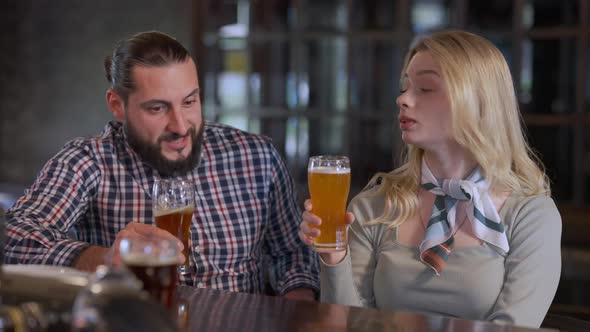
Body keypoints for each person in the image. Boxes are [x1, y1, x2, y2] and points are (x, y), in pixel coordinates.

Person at [4, 31, 319, 300]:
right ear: (117, 105)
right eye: (158, 108)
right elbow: (15, 238)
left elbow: (292, 253)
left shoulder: (255, 156)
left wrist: (298, 311)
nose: (181, 126)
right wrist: (103, 259)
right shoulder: (89, 161)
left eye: (189, 102)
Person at [299, 30, 561, 327]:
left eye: (424, 88)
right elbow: (347, 324)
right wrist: (334, 257)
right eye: (404, 87)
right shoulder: (373, 208)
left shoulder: (531, 216)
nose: (403, 99)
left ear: (477, 101)